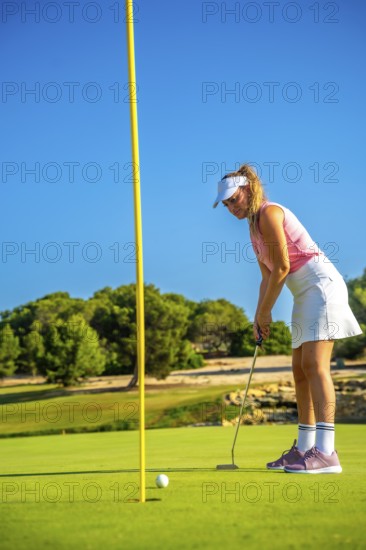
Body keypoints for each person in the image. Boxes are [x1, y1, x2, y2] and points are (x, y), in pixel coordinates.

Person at [213, 164, 362, 474]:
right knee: (299, 368)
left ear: (249, 190)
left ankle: (326, 452)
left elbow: (281, 266)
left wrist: (267, 311)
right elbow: (266, 276)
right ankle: (305, 447)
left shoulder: (269, 213)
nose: (230, 207)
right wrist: (258, 315)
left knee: (315, 366)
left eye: (233, 200)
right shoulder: (253, 228)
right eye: (226, 203)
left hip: (320, 286)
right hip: (302, 293)